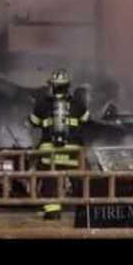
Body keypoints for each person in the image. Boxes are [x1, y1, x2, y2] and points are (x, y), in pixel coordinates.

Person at [29, 65, 90, 220]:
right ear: (68, 86)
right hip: (73, 155)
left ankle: (52, 213)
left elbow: (33, 122)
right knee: (82, 182)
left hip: (49, 155)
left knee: (50, 183)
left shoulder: (42, 104)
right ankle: (85, 212)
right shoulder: (78, 103)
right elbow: (87, 120)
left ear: (52, 86)